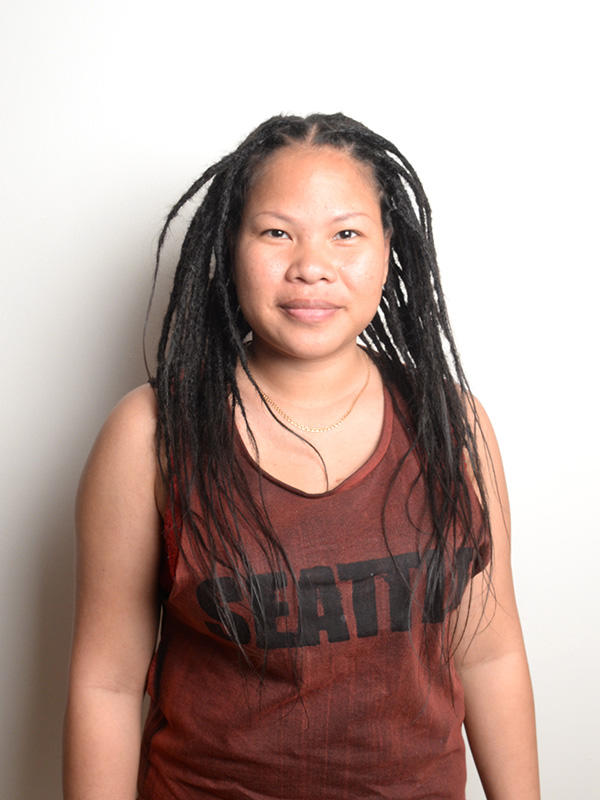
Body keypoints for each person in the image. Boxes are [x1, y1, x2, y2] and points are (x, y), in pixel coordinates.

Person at [63, 113, 540, 799]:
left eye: (346, 234)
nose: (311, 266)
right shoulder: (152, 434)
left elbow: (488, 655)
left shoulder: (452, 423)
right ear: (230, 247)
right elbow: (106, 685)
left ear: (388, 250)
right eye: (276, 233)